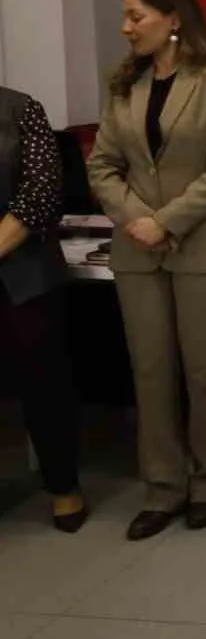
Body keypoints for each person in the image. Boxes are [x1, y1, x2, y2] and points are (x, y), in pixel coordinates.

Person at [87, 0, 206, 541]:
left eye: (136, 16)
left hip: (201, 245)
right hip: (137, 250)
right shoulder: (124, 84)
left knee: (205, 371)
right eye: (125, 17)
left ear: (173, 18)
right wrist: (137, 218)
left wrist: (166, 221)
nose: (125, 28)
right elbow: (102, 165)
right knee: (150, 371)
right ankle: (162, 488)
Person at [0, 85, 86, 532]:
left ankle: (63, 486)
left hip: (23, 272)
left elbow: (41, 194)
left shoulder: (20, 110)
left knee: (44, 384)